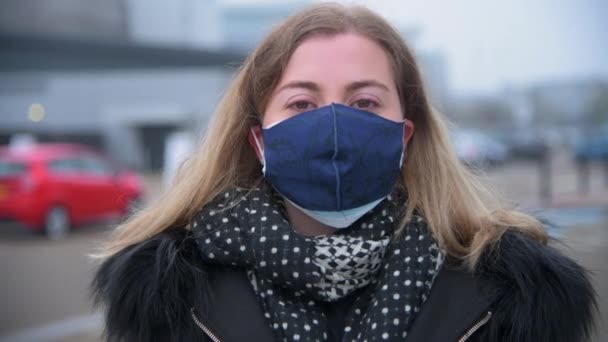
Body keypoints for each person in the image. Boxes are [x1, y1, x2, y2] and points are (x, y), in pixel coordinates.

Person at [92, 4, 596, 341]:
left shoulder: (510, 294)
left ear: (403, 135)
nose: (333, 124)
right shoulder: (169, 297)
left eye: (364, 101)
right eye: (302, 102)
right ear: (259, 140)